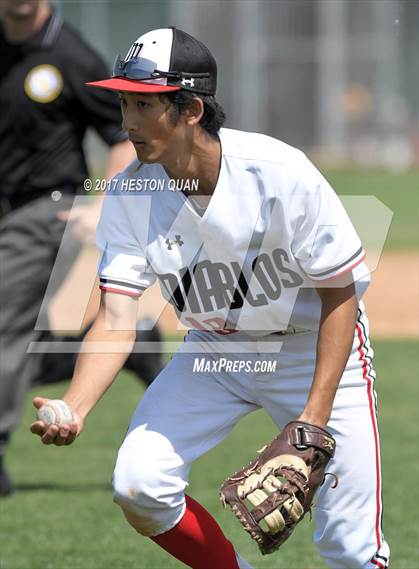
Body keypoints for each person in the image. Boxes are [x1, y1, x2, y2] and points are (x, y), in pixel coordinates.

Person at [30, 27, 390, 569]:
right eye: (123, 101)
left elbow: (340, 297)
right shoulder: (131, 192)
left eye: (144, 105)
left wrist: (313, 420)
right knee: (139, 483)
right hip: (214, 354)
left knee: (351, 549)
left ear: (191, 109)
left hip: (308, 352)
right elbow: (116, 316)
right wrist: (74, 408)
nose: (127, 122)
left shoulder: (279, 174)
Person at [0, 1, 163, 497]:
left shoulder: (69, 55)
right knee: (18, 329)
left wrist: (103, 204)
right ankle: (113, 348)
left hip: (48, 211)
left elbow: (122, 135)